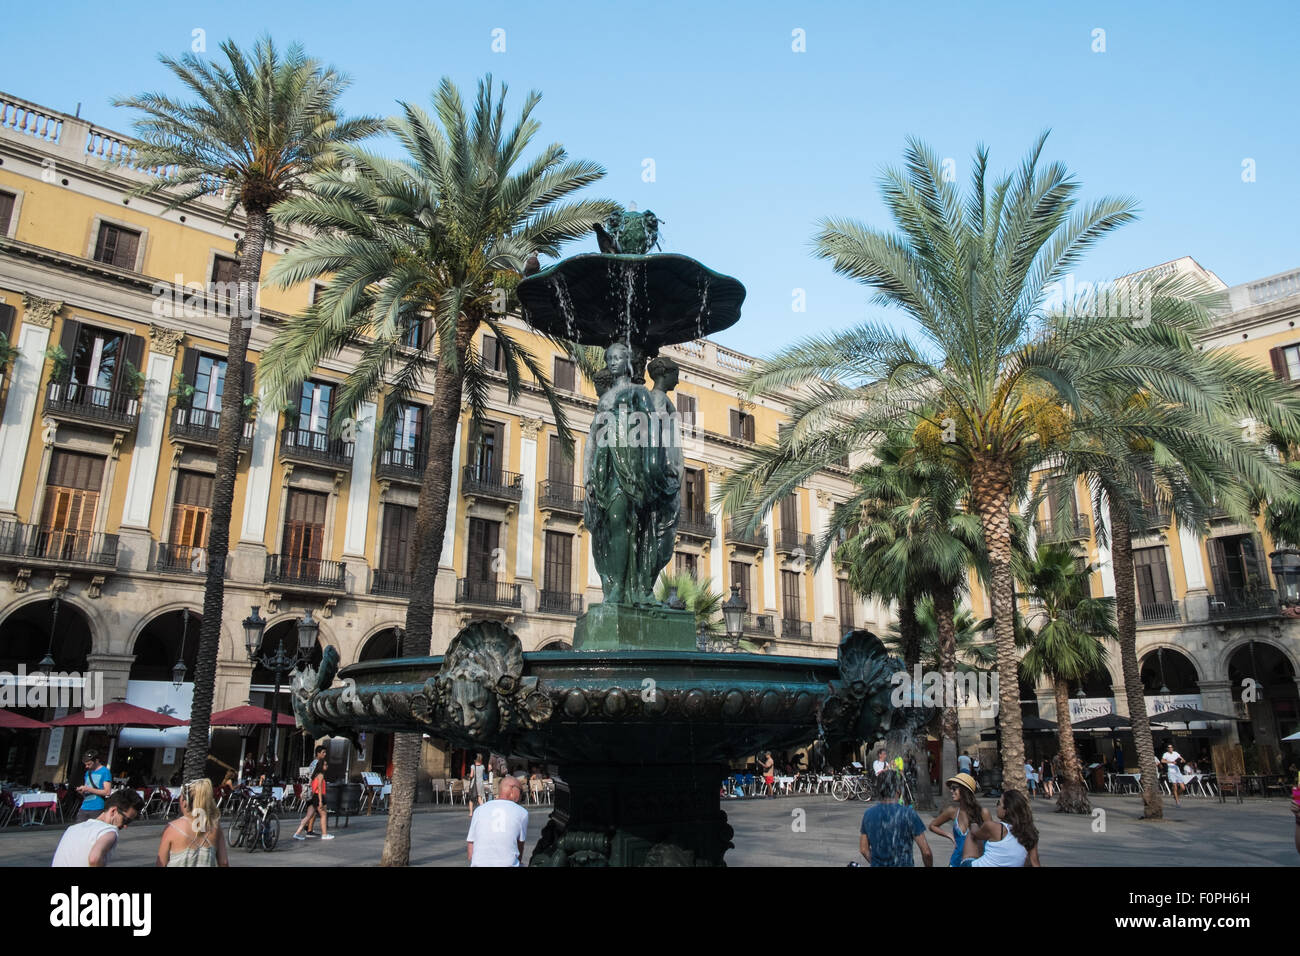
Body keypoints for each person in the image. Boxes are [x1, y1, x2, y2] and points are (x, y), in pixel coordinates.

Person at [52, 788, 144, 867]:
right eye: (126, 820)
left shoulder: (72, 828)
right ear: (113, 811)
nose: (125, 826)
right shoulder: (109, 831)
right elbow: (94, 858)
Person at [859, 770, 931, 867]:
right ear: (898, 790)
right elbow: (926, 852)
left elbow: (864, 849)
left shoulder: (868, 814)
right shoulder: (908, 814)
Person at [156, 779, 229, 867]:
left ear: (184, 802)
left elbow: (161, 863)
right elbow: (224, 862)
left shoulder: (172, 828)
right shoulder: (215, 826)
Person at [960, 789, 1041, 867]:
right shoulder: (1030, 833)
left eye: (999, 803)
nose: (997, 806)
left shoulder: (993, 827)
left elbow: (975, 833)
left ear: (1006, 810)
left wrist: (974, 824)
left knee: (971, 834)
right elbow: (1035, 863)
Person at [466, 774, 530, 867]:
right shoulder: (522, 812)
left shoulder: (479, 810)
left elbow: (470, 844)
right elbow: (520, 845)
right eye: (520, 791)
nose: (521, 796)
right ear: (513, 790)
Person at [928, 773, 990, 868]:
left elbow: (994, 839)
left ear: (965, 790)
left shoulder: (983, 813)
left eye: (954, 788)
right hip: (956, 862)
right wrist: (950, 835)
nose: (951, 791)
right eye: (951, 788)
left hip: (978, 862)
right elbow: (932, 825)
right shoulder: (952, 811)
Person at [292, 757, 333, 841]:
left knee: (308, 816)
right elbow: (319, 788)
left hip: (313, 797)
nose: (327, 766)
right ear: (321, 766)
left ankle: (297, 833)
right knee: (323, 815)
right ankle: (324, 834)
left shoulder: (314, 775)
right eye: (325, 764)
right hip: (318, 796)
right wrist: (321, 800)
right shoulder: (321, 775)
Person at [75, 749, 113, 822]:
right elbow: (87, 789)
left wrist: (88, 789)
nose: (87, 766)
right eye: (85, 764)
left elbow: (107, 792)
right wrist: (82, 791)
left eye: (89, 764)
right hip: (84, 806)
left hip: (97, 807)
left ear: (96, 761)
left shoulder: (105, 772)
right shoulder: (88, 772)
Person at [466, 753, 490, 818]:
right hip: (480, 784)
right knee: (480, 798)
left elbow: (471, 775)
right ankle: (484, 811)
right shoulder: (482, 766)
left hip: (474, 784)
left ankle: (471, 813)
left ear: (475, 759)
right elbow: (483, 775)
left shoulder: (473, 766)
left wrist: (469, 776)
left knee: (471, 799)